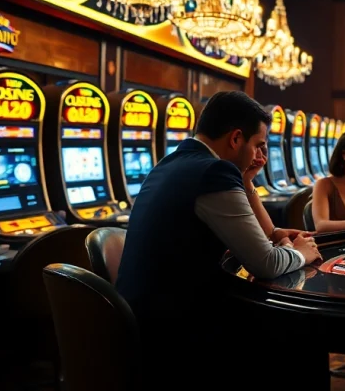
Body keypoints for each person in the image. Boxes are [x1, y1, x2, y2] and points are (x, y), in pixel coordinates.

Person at [116, 91, 320, 377]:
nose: (260, 155)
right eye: (258, 145)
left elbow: (262, 238)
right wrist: (301, 252)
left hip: (140, 323)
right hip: (175, 336)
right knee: (301, 333)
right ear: (236, 138)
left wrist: (246, 180)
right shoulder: (213, 172)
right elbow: (265, 262)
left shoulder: (170, 163)